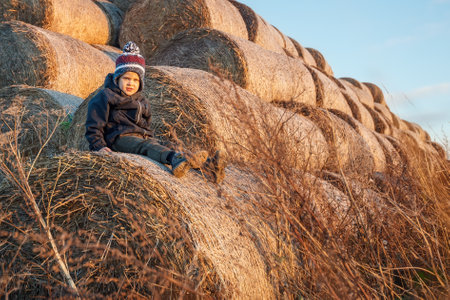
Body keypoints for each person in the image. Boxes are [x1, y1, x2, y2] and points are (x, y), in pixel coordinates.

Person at [85, 41, 225, 181]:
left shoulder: (142, 101)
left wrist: (151, 137)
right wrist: (99, 147)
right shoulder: (106, 96)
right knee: (147, 146)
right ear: (117, 79)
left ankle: (207, 167)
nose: (130, 83)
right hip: (119, 139)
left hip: (142, 136)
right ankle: (174, 159)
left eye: (135, 80)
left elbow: (146, 125)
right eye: (126, 78)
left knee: (167, 144)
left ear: (141, 82)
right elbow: (94, 126)